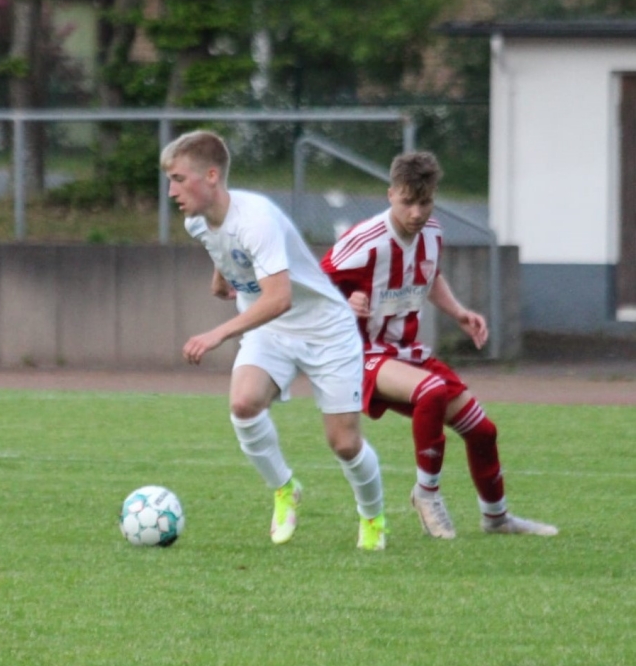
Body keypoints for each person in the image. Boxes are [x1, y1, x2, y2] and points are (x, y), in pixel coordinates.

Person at [164, 130, 388, 550]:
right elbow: (223, 249)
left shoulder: (257, 219)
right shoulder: (197, 220)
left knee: (344, 442)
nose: (172, 190)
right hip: (270, 329)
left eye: (178, 179)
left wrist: (218, 332)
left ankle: (373, 516)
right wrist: (222, 281)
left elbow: (280, 297)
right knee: (243, 404)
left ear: (211, 176)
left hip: (326, 330)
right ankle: (285, 488)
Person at [321, 151, 557, 538]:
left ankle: (496, 518)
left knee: (483, 431)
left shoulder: (432, 232)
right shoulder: (365, 240)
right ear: (390, 194)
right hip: (361, 354)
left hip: (405, 352)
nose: (416, 212)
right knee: (430, 392)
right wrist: (344, 302)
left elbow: (429, 276)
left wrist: (460, 312)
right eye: (407, 202)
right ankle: (426, 494)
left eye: (425, 202)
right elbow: (310, 285)